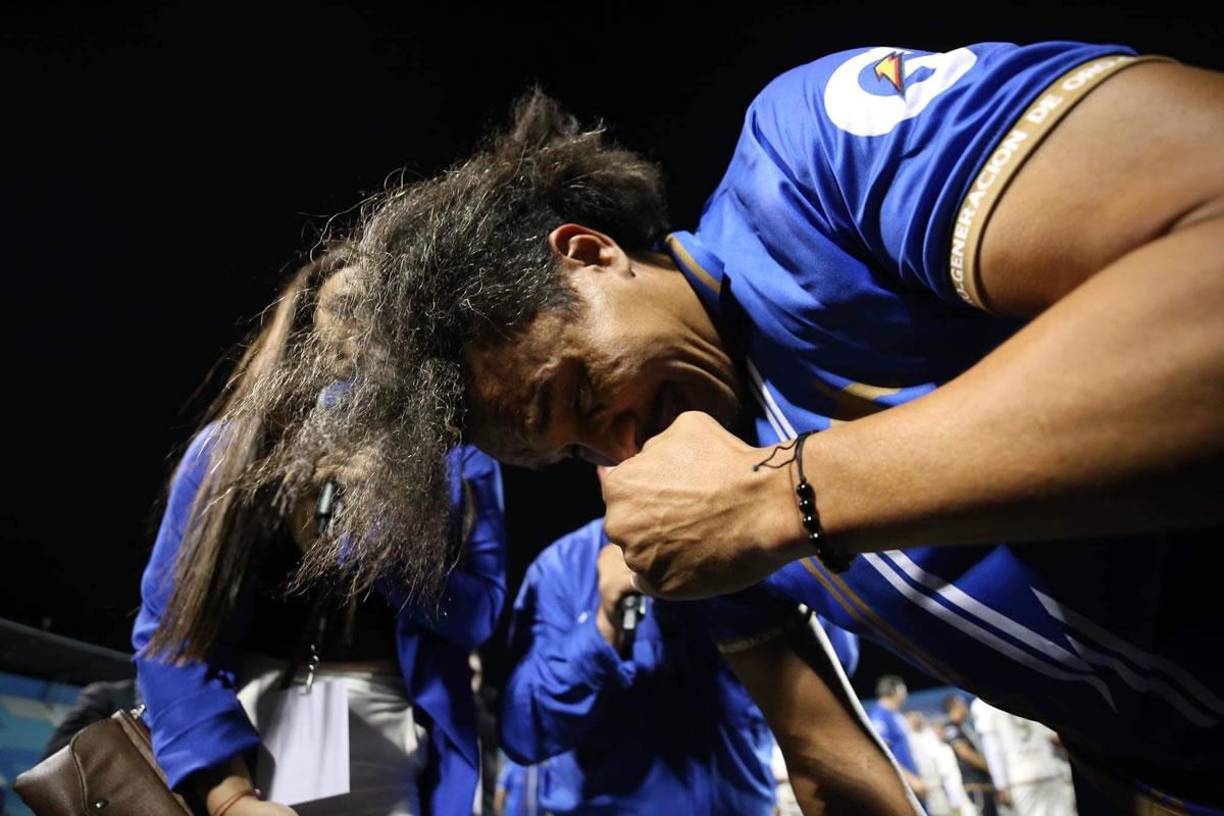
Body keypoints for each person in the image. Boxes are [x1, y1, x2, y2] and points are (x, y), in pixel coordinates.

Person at [348, 40, 1224, 813]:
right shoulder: (704, 509)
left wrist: (786, 494)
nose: (618, 450)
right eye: (573, 452)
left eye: (578, 397)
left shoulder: (809, 166)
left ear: (589, 255)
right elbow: (824, 763)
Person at [132, 253, 508, 816]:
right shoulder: (225, 450)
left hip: (384, 727)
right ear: (309, 324)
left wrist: (376, 531)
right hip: (243, 727)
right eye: (350, 308)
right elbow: (170, 635)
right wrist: (229, 796)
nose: (369, 332)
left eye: (391, 312)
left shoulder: (461, 463)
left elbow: (478, 616)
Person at [501, 513, 842, 814]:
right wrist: (603, 625)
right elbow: (524, 732)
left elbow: (838, 664)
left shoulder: (751, 542)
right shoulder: (564, 567)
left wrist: (771, 575)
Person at [971, 698, 1076, 816]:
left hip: (1021, 777)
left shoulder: (982, 704)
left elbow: (993, 749)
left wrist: (1001, 785)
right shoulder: (1024, 692)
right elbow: (1052, 736)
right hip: (1048, 770)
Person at [906, 711, 976, 816]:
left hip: (946, 782)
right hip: (927, 786)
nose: (915, 721)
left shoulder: (930, 736)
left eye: (916, 718)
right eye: (912, 720)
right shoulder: (908, 739)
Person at [868, 677, 927, 803]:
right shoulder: (879, 717)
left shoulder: (896, 715)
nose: (906, 694)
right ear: (896, 691)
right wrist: (911, 780)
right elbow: (881, 754)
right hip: (902, 786)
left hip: (913, 784)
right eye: (904, 690)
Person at [943, 697, 1002, 816]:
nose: (966, 708)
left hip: (983, 784)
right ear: (955, 707)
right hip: (975, 784)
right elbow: (965, 753)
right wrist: (991, 767)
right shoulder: (951, 727)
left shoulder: (963, 727)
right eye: (963, 705)